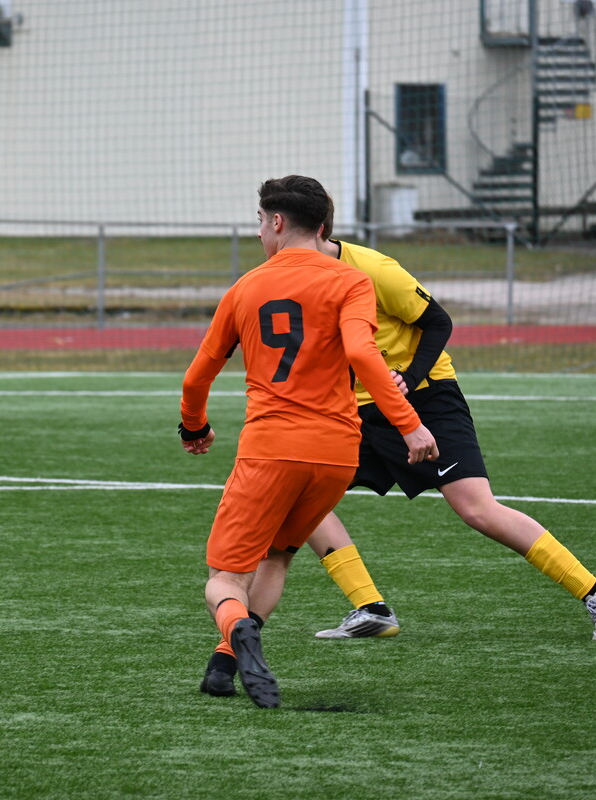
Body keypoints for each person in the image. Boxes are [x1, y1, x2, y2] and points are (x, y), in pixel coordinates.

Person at [301, 213, 596, 643]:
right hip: (357, 410)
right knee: (302, 495)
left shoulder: (373, 268)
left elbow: (439, 321)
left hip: (426, 397)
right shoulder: (293, 279)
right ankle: (371, 609)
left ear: (297, 227)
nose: (260, 232)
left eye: (264, 221)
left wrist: (410, 378)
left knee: (477, 509)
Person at [179, 175, 438, 708]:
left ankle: (238, 628)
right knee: (277, 557)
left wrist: (195, 426)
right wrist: (409, 424)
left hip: (271, 447)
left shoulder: (245, 288)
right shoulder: (351, 280)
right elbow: (364, 355)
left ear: (278, 222)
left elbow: (197, 375)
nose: (258, 233)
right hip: (337, 453)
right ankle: (223, 666)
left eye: (259, 222)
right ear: (323, 227)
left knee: (224, 579)